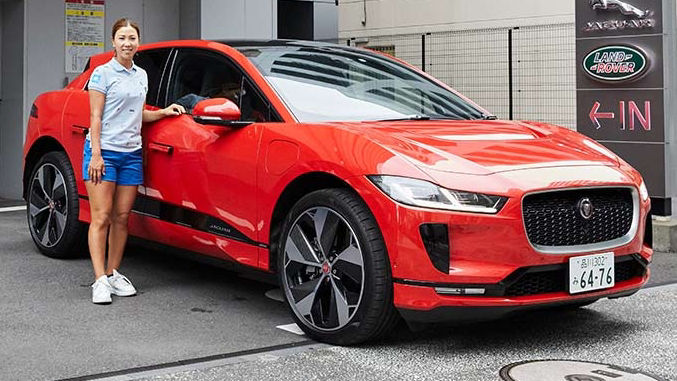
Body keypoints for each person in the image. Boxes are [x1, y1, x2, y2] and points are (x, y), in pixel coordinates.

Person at [84, 18, 186, 304]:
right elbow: (95, 117)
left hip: (131, 153)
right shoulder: (102, 74)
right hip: (104, 153)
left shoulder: (141, 74)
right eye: (122, 38)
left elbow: (136, 114)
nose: (127, 43)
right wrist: (96, 154)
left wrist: (164, 112)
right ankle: (99, 280)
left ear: (138, 42)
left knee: (121, 218)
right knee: (101, 217)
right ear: (113, 42)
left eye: (132, 38)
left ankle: (113, 273)